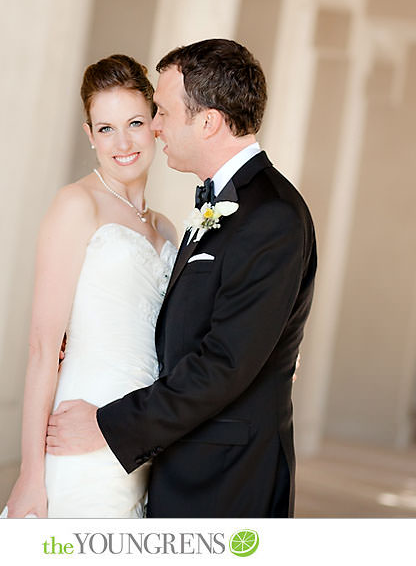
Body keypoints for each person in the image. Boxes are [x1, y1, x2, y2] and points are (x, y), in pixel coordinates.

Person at [45, 39, 317, 517]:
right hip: (181, 462)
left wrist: (109, 426)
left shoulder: (271, 214)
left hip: (227, 479)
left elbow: (224, 364)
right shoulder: (221, 205)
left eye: (164, 113)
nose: (153, 126)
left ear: (208, 121)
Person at [1, 54, 178, 518]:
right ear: (90, 134)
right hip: (80, 434)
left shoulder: (168, 230)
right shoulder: (77, 205)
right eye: (105, 128)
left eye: (135, 122)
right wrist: (30, 475)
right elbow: (43, 348)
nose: (122, 142)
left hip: (139, 441)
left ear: (156, 123)